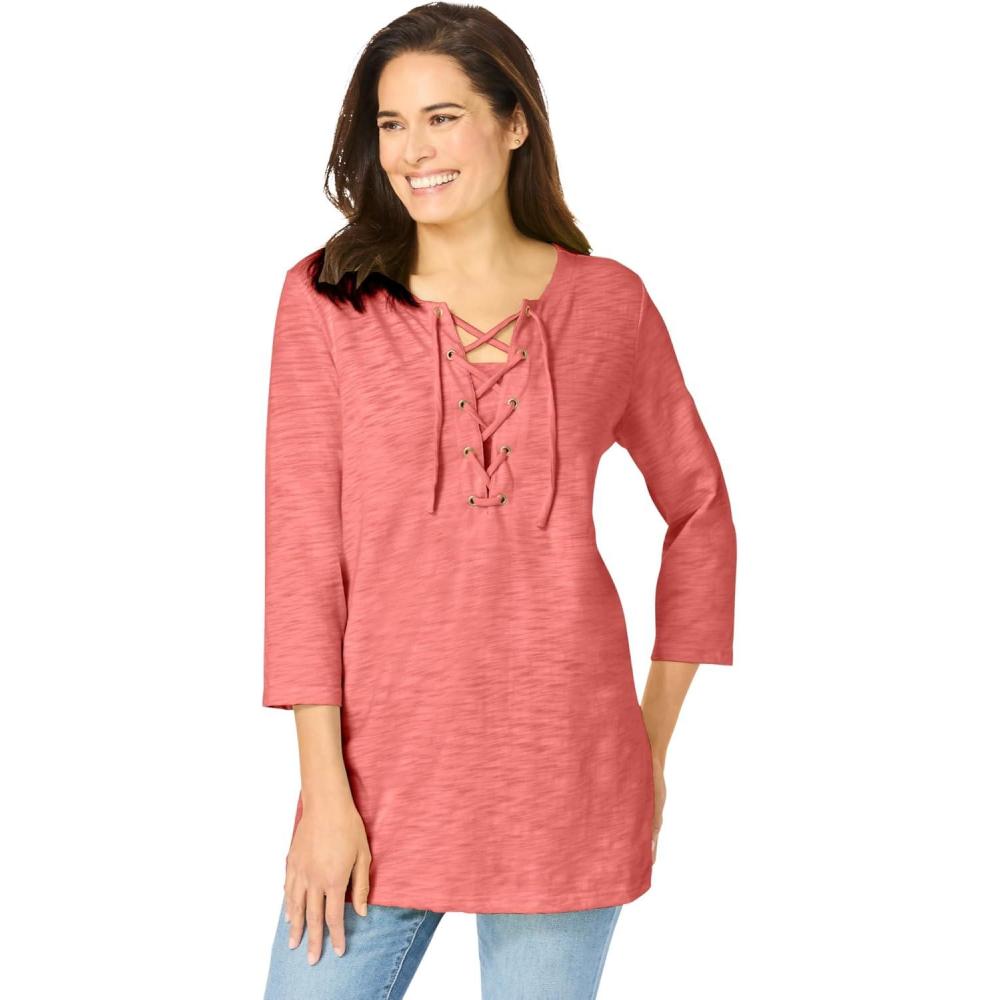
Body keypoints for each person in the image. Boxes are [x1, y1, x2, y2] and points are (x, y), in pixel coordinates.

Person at [261, 5, 737, 998]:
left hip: (568, 777)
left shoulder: (610, 303)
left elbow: (699, 510)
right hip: (378, 785)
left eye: (442, 118)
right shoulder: (329, 299)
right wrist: (323, 794)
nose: (412, 151)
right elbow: (301, 553)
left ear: (514, 122)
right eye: (391, 124)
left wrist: (648, 741)